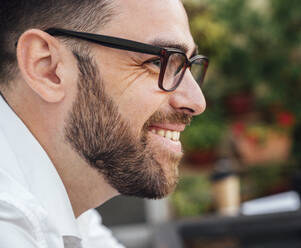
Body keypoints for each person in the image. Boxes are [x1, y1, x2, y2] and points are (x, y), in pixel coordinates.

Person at [0, 0, 207, 247]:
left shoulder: (71, 210)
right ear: (47, 67)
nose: (197, 102)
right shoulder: (9, 218)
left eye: (188, 66)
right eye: (158, 62)